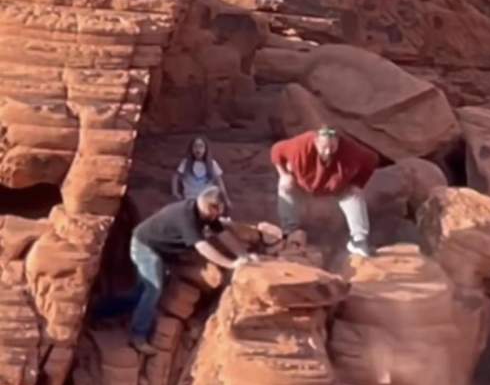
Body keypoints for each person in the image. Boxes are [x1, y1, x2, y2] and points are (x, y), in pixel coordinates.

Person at [113, 187, 253, 355]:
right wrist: (230, 264)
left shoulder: (205, 214)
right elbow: (202, 247)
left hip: (161, 248)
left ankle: (106, 311)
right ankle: (138, 336)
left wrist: (244, 255)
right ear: (211, 207)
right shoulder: (186, 217)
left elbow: (223, 235)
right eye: (218, 212)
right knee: (153, 288)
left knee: (141, 291)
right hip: (145, 246)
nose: (218, 217)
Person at [270, 126, 378, 258]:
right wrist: (283, 173)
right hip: (304, 183)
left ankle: (359, 241)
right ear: (315, 142)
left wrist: (358, 183)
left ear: (338, 142)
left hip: (337, 185)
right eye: (324, 147)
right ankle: (289, 231)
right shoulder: (300, 144)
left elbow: (372, 159)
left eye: (332, 147)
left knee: (354, 193)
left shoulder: (350, 149)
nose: (327, 152)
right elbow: (276, 150)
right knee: (285, 184)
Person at [172, 137, 232, 209]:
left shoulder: (212, 164)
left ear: (205, 149)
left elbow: (220, 182)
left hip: (207, 200)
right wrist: (175, 193)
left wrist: (226, 199)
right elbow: (175, 177)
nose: (198, 149)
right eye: (195, 146)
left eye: (201, 146)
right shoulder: (185, 163)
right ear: (191, 149)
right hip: (190, 200)